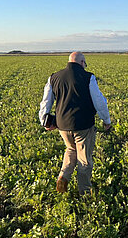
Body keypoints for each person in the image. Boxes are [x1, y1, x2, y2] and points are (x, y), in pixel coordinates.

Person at [39, 52, 111, 194]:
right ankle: (84, 192)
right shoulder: (88, 77)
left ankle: (63, 177)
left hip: (63, 125)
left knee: (71, 149)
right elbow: (99, 102)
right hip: (83, 125)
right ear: (82, 62)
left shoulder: (54, 77)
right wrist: (106, 120)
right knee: (84, 159)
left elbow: (46, 102)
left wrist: (45, 122)